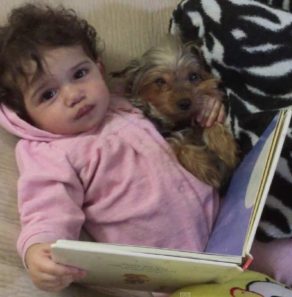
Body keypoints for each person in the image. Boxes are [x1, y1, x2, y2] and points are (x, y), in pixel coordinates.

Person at [0, 3, 224, 292]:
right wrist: (37, 250)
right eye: (48, 94)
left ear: (99, 69)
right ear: (25, 114)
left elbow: (179, 107)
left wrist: (208, 105)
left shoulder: (125, 102)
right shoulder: (49, 154)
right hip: (169, 270)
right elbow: (45, 209)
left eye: (79, 74)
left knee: (288, 259)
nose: (73, 95)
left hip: (223, 226)